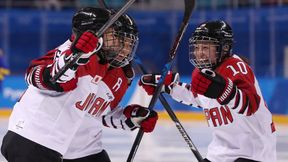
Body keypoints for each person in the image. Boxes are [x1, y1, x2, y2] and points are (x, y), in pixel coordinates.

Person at [1, 7, 158, 162]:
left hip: (81, 150)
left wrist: (130, 118)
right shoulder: (69, 52)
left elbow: (97, 114)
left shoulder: (118, 73)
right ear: (96, 35)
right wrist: (74, 58)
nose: (125, 49)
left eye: (128, 43)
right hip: (33, 139)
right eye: (118, 38)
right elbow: (34, 76)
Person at [139, 20, 276, 162]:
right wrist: (168, 87)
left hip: (253, 153)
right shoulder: (202, 72)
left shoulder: (236, 67)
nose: (199, 53)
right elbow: (198, 98)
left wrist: (224, 90)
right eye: (197, 48)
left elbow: (250, 104)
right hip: (220, 154)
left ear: (224, 47)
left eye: (205, 48)